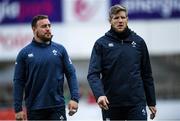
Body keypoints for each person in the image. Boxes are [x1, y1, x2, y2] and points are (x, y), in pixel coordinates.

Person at [87, 4, 157, 121]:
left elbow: (147, 74)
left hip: (136, 103)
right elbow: (93, 74)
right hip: (110, 104)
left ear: (127, 19)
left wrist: (151, 101)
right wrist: (99, 95)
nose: (120, 21)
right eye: (116, 18)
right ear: (110, 20)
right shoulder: (101, 44)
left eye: (123, 17)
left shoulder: (139, 42)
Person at [13, 15, 80, 120]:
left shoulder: (60, 50)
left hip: (57, 108)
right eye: (44, 26)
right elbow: (18, 82)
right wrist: (18, 108)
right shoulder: (24, 53)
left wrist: (75, 98)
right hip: (34, 109)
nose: (48, 28)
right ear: (34, 29)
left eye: (49, 25)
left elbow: (71, 74)